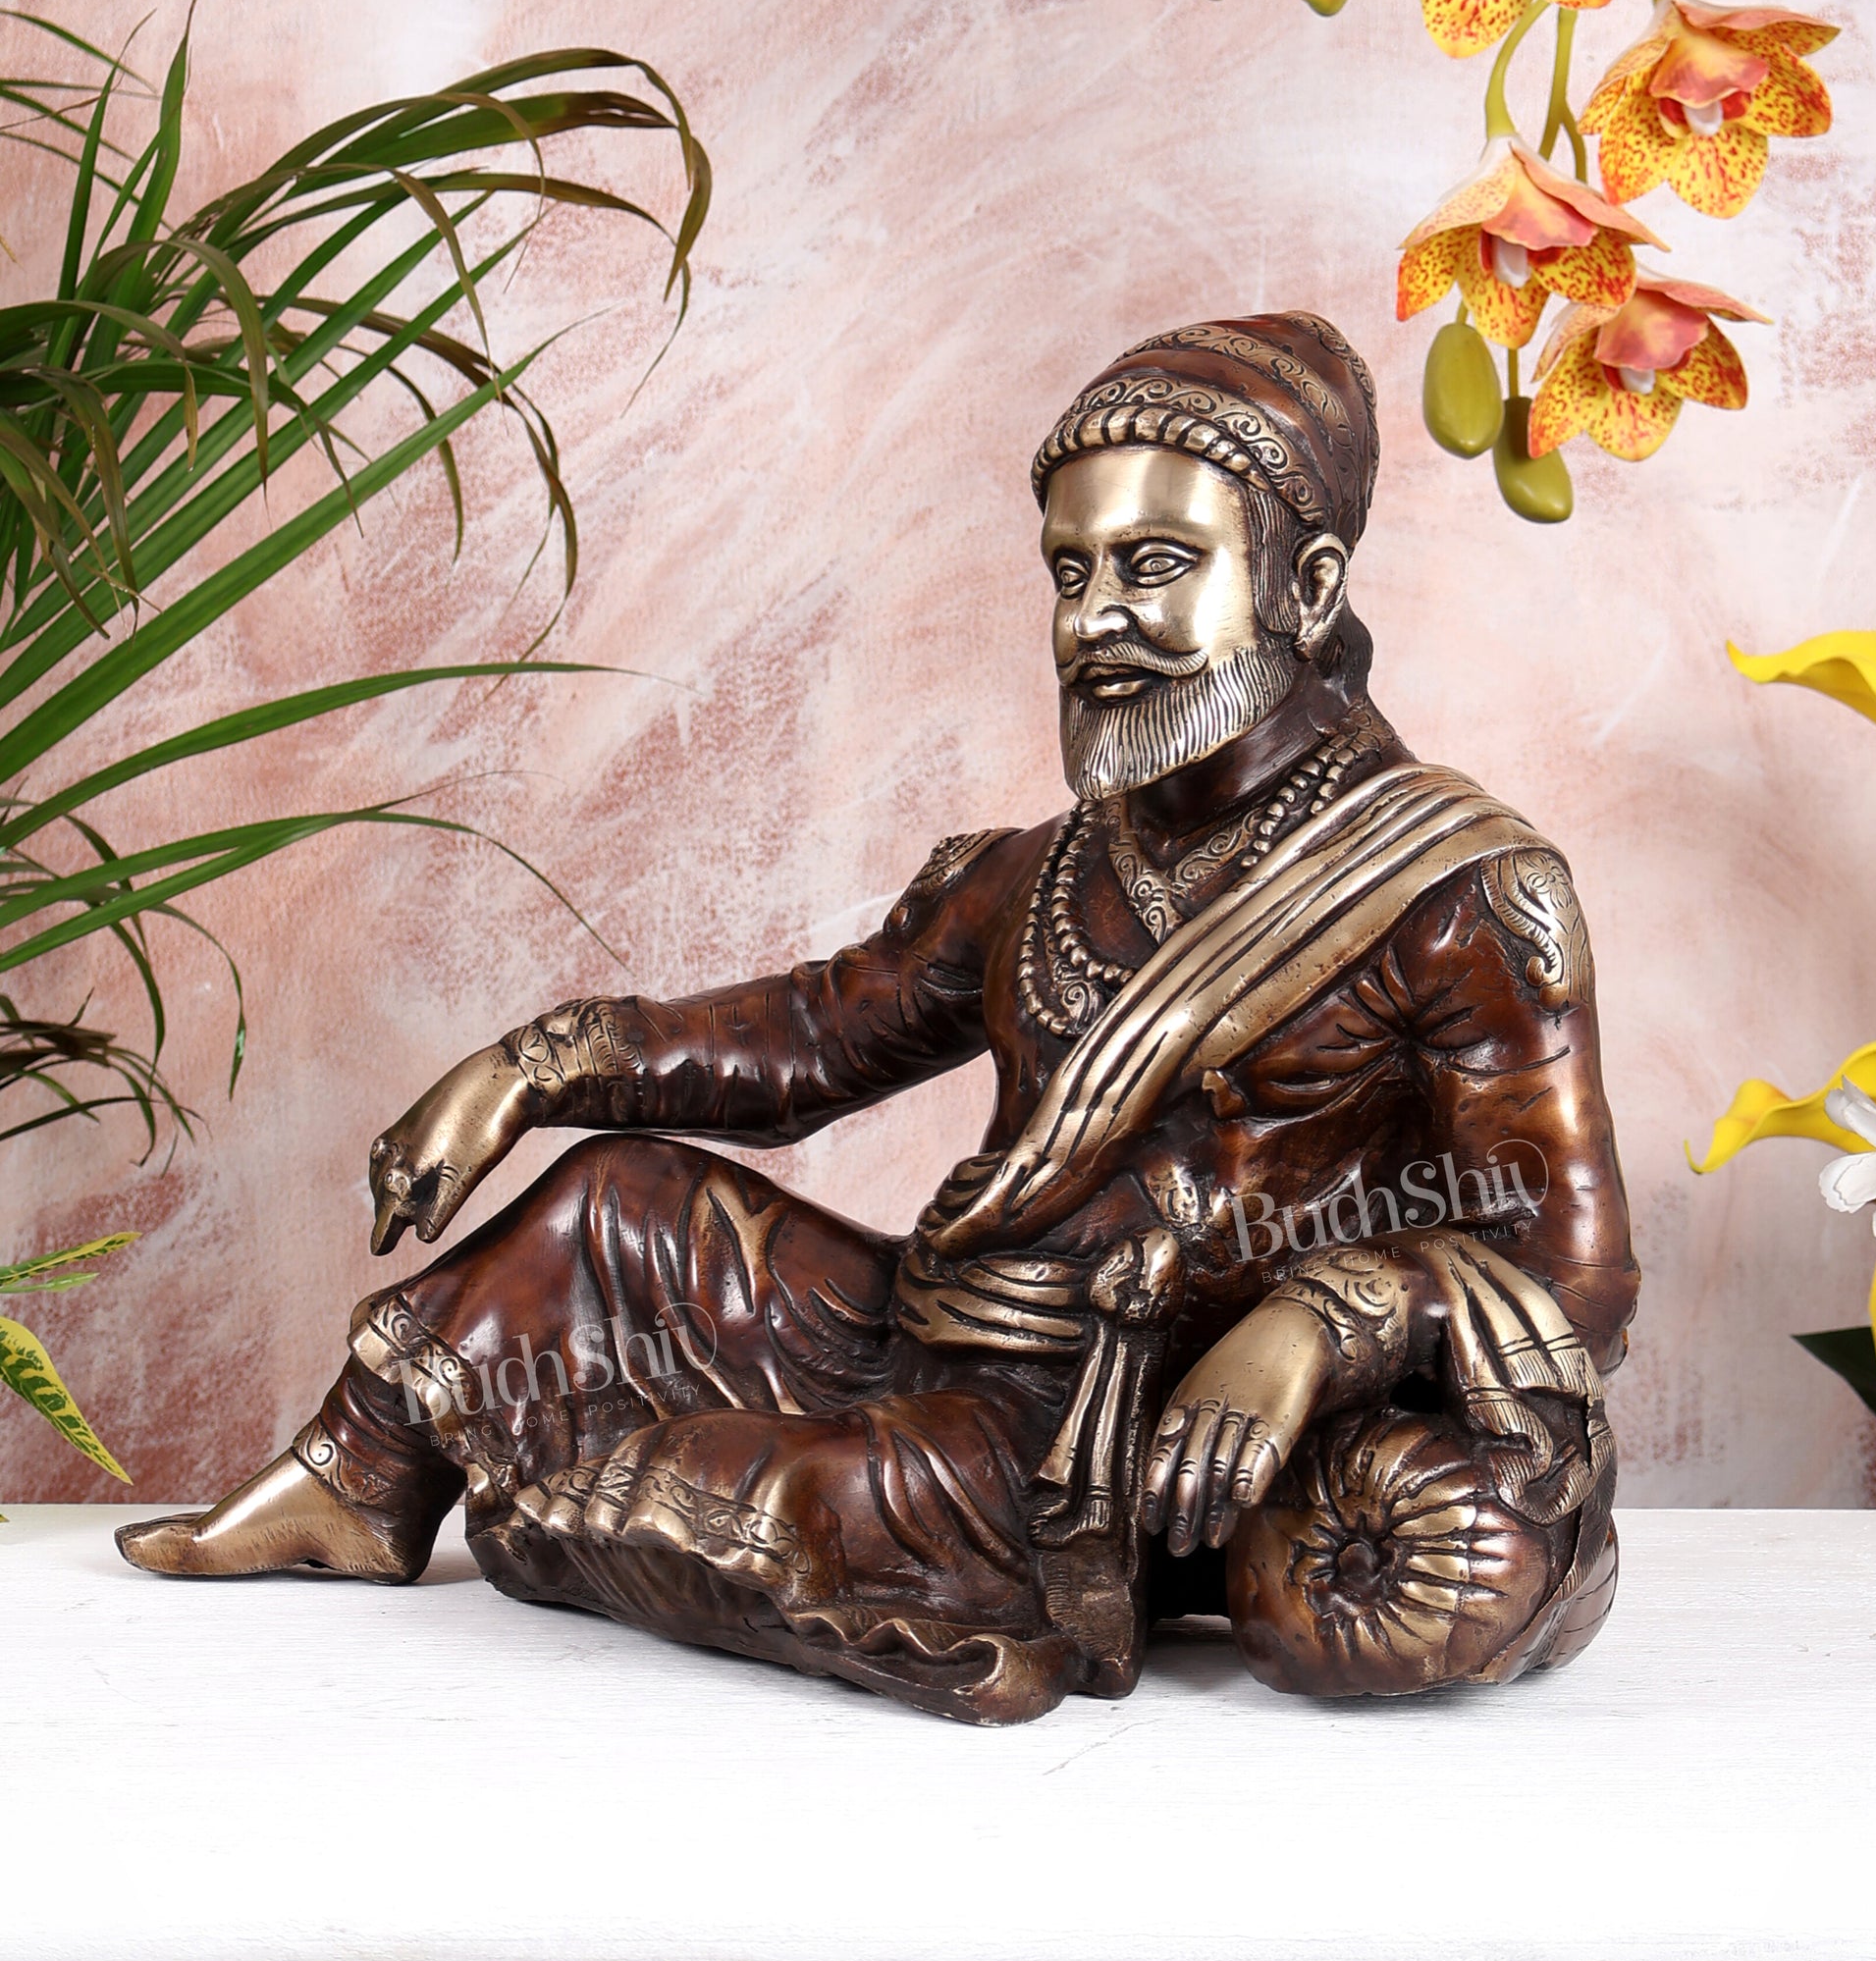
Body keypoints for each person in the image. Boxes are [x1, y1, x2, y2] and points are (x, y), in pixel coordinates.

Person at [119, 314, 1636, 1724]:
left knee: (761, 1496)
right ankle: (362, 1482)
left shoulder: (1452, 891)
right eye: (1069, 574)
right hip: (929, 1331)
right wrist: (533, 1067)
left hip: (1114, 1433)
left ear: (1303, 588)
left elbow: (1574, 1269)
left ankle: (709, 1518)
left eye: (1156, 565)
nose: (1095, 619)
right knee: (612, 1205)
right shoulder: (1037, 874)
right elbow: (809, 1044)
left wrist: (1317, 1322)